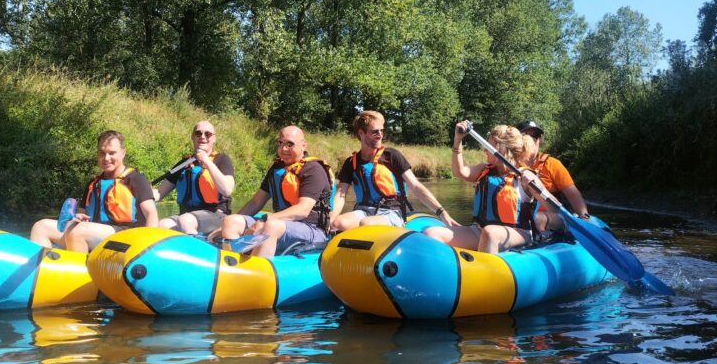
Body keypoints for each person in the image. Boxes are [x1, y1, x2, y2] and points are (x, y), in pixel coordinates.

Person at [423, 121, 547, 254]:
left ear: (502, 149)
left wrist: (535, 186)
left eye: (488, 146)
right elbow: (459, 172)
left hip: (517, 233)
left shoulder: (525, 176)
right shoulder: (484, 170)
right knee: (431, 234)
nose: (485, 150)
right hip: (480, 230)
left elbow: (552, 205)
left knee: (491, 233)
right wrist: (458, 139)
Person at [30, 130, 159, 252]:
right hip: (91, 235)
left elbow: (151, 214)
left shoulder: (136, 179)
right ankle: (46, 266)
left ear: (123, 153)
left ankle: (79, 267)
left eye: (112, 153)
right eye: (102, 153)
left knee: (78, 231)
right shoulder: (93, 183)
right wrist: (77, 217)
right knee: (41, 227)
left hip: (125, 238)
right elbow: (81, 214)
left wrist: (147, 246)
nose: (106, 158)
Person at [329, 110, 458, 231]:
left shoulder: (391, 156)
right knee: (338, 223)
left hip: (391, 212)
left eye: (382, 131)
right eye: (375, 132)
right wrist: (330, 219)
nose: (380, 135)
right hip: (364, 211)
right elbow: (340, 195)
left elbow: (416, 186)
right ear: (361, 133)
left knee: (366, 223)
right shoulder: (351, 162)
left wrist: (441, 212)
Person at [218, 125, 332, 259]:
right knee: (230, 221)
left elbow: (303, 210)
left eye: (290, 144)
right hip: (282, 223)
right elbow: (255, 203)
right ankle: (231, 264)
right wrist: (222, 228)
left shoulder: (313, 169)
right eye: (280, 143)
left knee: (271, 226)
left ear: (303, 145)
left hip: (312, 229)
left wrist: (265, 220)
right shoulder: (277, 169)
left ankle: (257, 268)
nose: (284, 149)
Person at [153, 120, 235, 235]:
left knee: (186, 220)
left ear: (214, 138)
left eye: (208, 134)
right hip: (187, 216)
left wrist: (206, 161)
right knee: (161, 225)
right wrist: (141, 192)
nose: (202, 137)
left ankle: (197, 244)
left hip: (216, 215)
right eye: (198, 133)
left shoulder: (222, 159)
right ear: (192, 137)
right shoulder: (184, 164)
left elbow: (227, 190)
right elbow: (159, 193)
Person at [515, 119, 589, 230]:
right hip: (519, 218)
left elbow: (573, 195)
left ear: (539, 140)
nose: (531, 140)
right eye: (525, 136)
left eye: (535, 136)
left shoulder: (552, 164)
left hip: (549, 221)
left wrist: (584, 216)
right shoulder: (509, 164)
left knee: (535, 218)